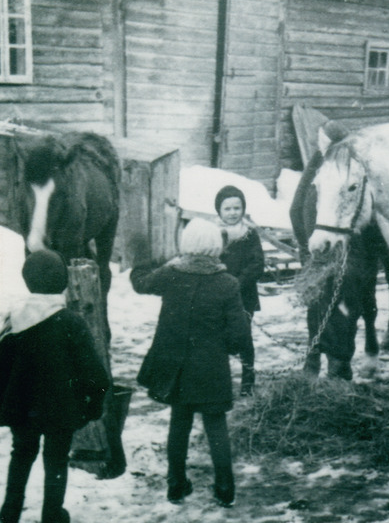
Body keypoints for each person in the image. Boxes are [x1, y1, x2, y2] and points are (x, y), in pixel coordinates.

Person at [130, 218, 252, 508]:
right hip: (211, 369)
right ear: (216, 246)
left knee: (179, 422)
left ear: (185, 244)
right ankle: (225, 489)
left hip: (177, 368)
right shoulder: (228, 284)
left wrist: (145, 259)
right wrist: (233, 347)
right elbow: (238, 334)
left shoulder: (171, 274)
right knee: (216, 425)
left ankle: (176, 485)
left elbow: (141, 283)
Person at [0, 250, 110, 523]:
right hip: (60, 411)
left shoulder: (13, 321)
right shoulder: (71, 322)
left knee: (21, 455)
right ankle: (52, 515)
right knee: (56, 460)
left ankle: (9, 512)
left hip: (22, 411)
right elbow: (94, 373)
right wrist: (94, 403)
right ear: (63, 281)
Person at [214, 185, 264, 395]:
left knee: (244, 337)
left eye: (237, 208)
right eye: (228, 209)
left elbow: (256, 264)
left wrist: (236, 283)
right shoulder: (213, 234)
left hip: (243, 296)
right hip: (217, 296)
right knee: (217, 338)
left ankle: (248, 380)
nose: (233, 213)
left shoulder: (249, 234)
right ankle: (220, 380)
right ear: (219, 211)